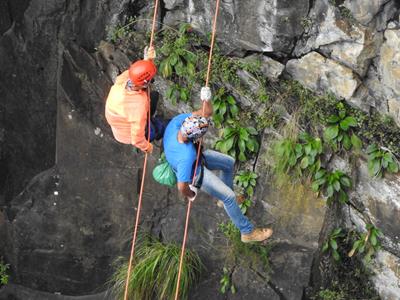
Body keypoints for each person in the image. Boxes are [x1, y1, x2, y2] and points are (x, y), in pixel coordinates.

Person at [162, 87, 273, 243]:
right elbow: (182, 186)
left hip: (197, 159)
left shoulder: (177, 123)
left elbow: (205, 113)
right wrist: (191, 195)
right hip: (196, 172)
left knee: (228, 163)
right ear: (195, 138)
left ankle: (224, 200)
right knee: (229, 197)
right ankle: (247, 232)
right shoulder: (186, 155)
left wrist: (206, 99)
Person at [105, 46, 166, 153]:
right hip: (128, 133)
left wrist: (147, 61)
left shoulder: (124, 79)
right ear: (145, 83)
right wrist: (147, 147)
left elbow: (139, 73)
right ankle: (158, 131)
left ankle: (147, 119)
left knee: (154, 96)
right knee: (164, 125)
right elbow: (136, 139)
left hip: (123, 121)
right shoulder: (138, 105)